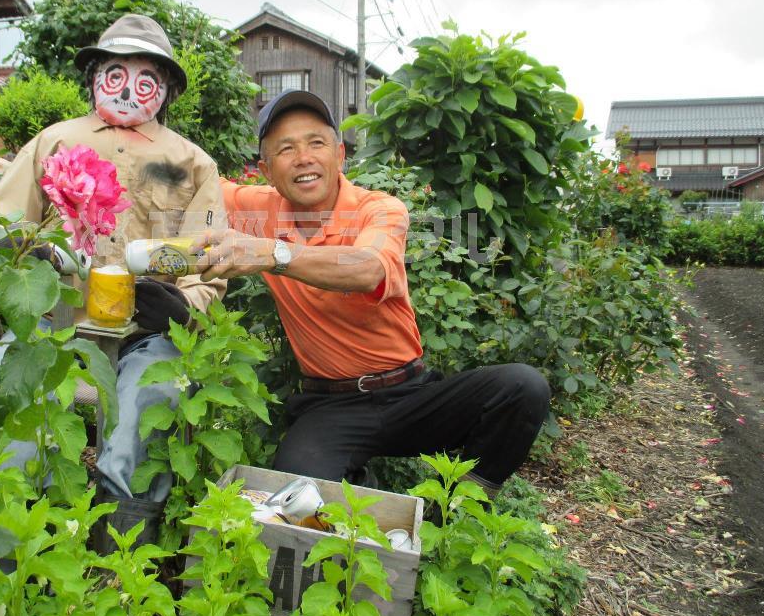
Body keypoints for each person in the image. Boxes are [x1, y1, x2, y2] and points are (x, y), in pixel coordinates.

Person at [192, 89, 549, 498]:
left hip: (412, 396)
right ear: (266, 170)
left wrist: (272, 252)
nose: (304, 157)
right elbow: (192, 172)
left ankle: (463, 506)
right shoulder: (259, 208)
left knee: (523, 387)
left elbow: (366, 268)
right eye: (286, 149)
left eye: (316, 143)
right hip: (331, 406)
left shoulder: (378, 209)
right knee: (297, 492)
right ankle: (359, 487)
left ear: (340, 155)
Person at [0, 14, 226, 539]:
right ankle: (14, 530)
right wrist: (29, 255)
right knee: (9, 374)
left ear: (166, 90)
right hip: (52, 325)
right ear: (94, 75)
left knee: (152, 394)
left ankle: (120, 548)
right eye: (114, 72)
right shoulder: (52, 142)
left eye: (146, 78)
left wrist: (184, 308)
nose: (128, 88)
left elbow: (210, 258)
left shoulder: (192, 163)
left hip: (145, 334)